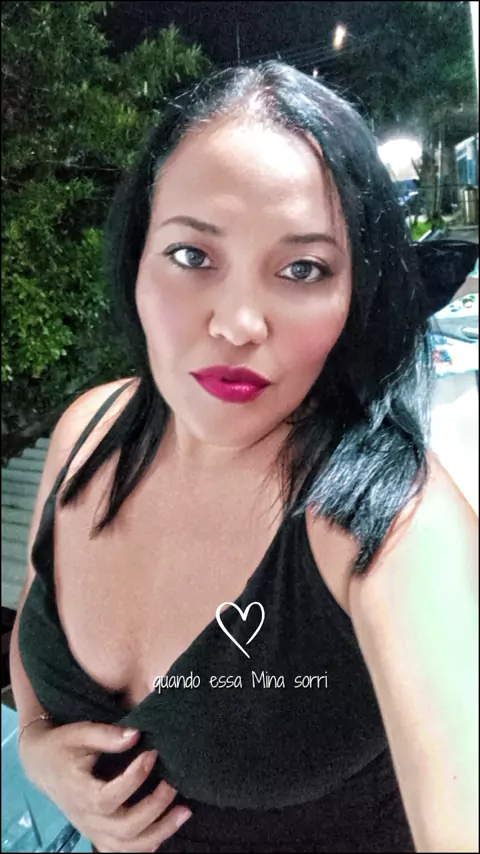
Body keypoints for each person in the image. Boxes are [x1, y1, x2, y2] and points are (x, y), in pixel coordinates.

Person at [10, 61, 478, 853]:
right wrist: (34, 744)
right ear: (138, 258)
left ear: (355, 295)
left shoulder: (395, 529)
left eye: (302, 269)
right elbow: (37, 627)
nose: (237, 323)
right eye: (193, 255)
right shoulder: (86, 433)